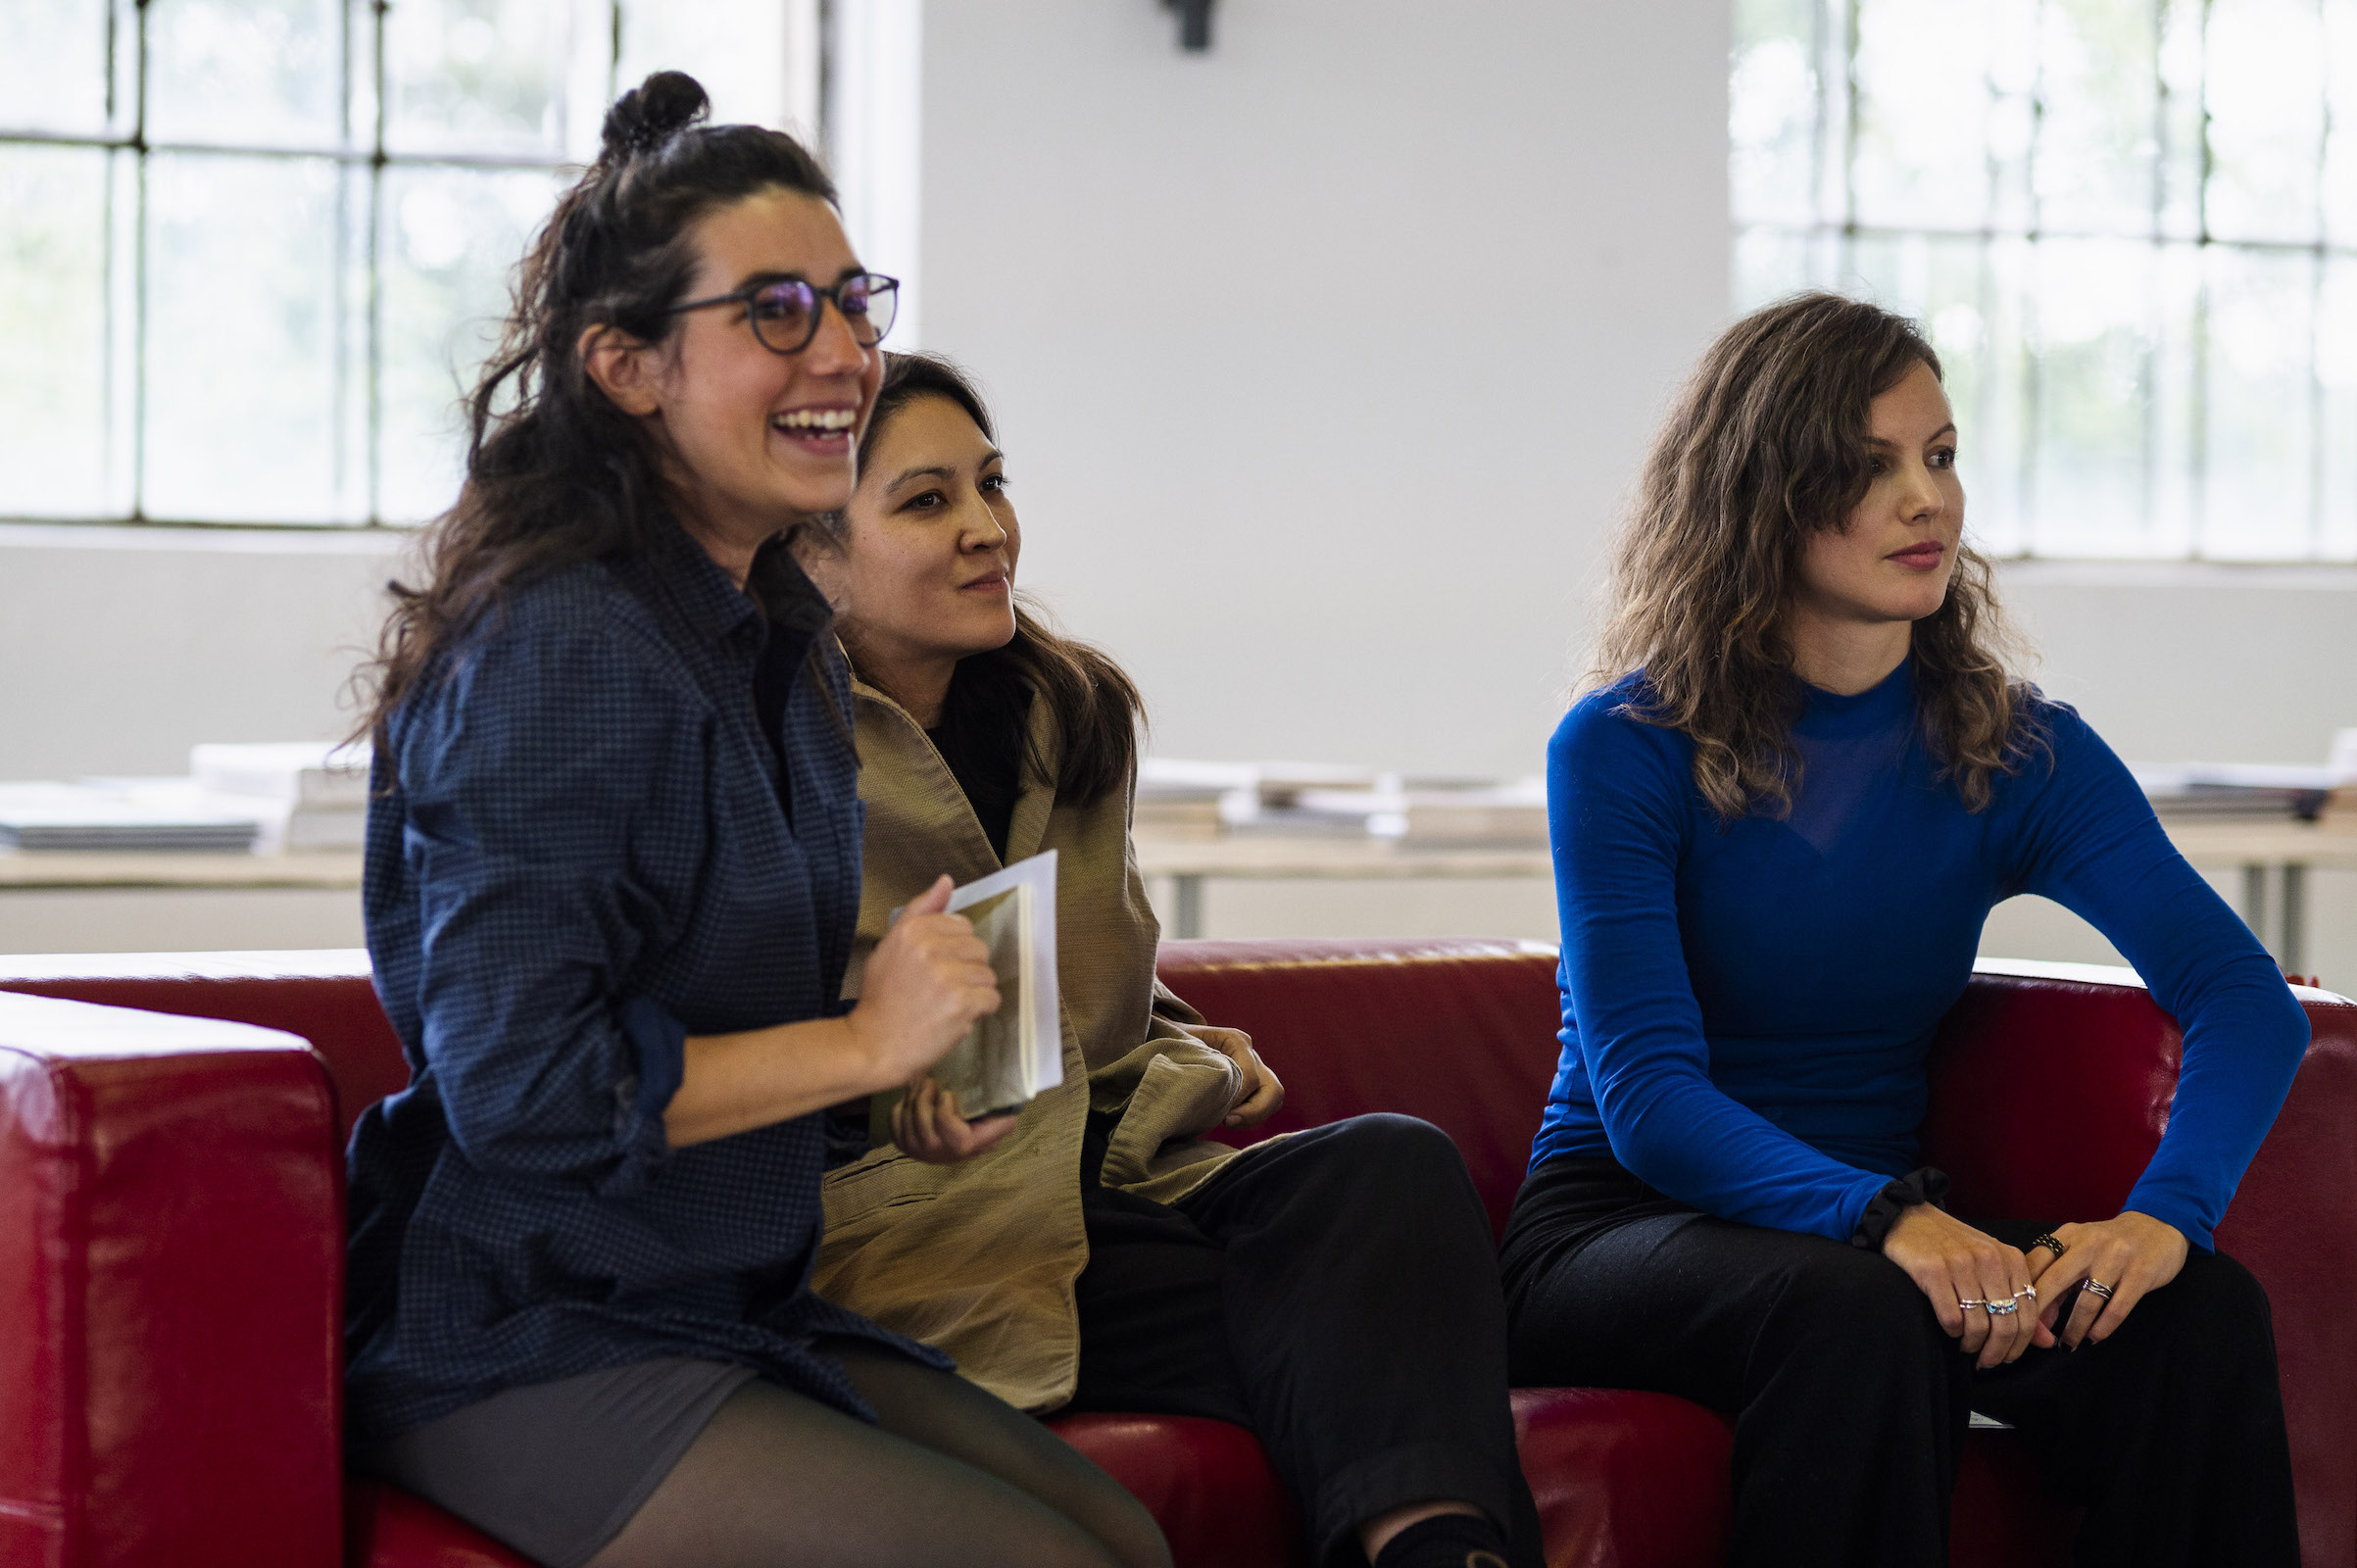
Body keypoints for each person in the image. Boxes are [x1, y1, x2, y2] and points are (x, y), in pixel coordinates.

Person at [343, 74, 1168, 1568]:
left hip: (721, 1301)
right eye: (777, 312)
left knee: (1126, 1541)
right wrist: (858, 1045)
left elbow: (715, 1025)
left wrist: (888, 1083)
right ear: (627, 367)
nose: (845, 353)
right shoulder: (563, 647)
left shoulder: (781, 638)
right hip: (532, 1329)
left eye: (852, 302)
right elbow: (524, 1090)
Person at [1500, 292, 2309, 1567]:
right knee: (1856, 1309)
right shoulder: (1623, 746)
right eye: (1867, 466)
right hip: (1620, 1225)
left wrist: (2161, 1219)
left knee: (2189, 1314)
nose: (1925, 499)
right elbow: (1649, 1101)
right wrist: (1886, 1219)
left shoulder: (2018, 749)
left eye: (1938, 455)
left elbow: (2243, 998)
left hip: (1881, 1232)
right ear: (1762, 497)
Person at [797, 351, 1541, 1568]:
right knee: (1366, 1340)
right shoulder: (766, 755)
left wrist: (1184, 1036)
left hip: (1112, 1188)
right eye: (927, 501)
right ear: (809, 554)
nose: (987, 528)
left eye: (993, 484)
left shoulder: (1062, 715)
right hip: (919, 1232)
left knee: (1389, 1164)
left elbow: (1077, 984)